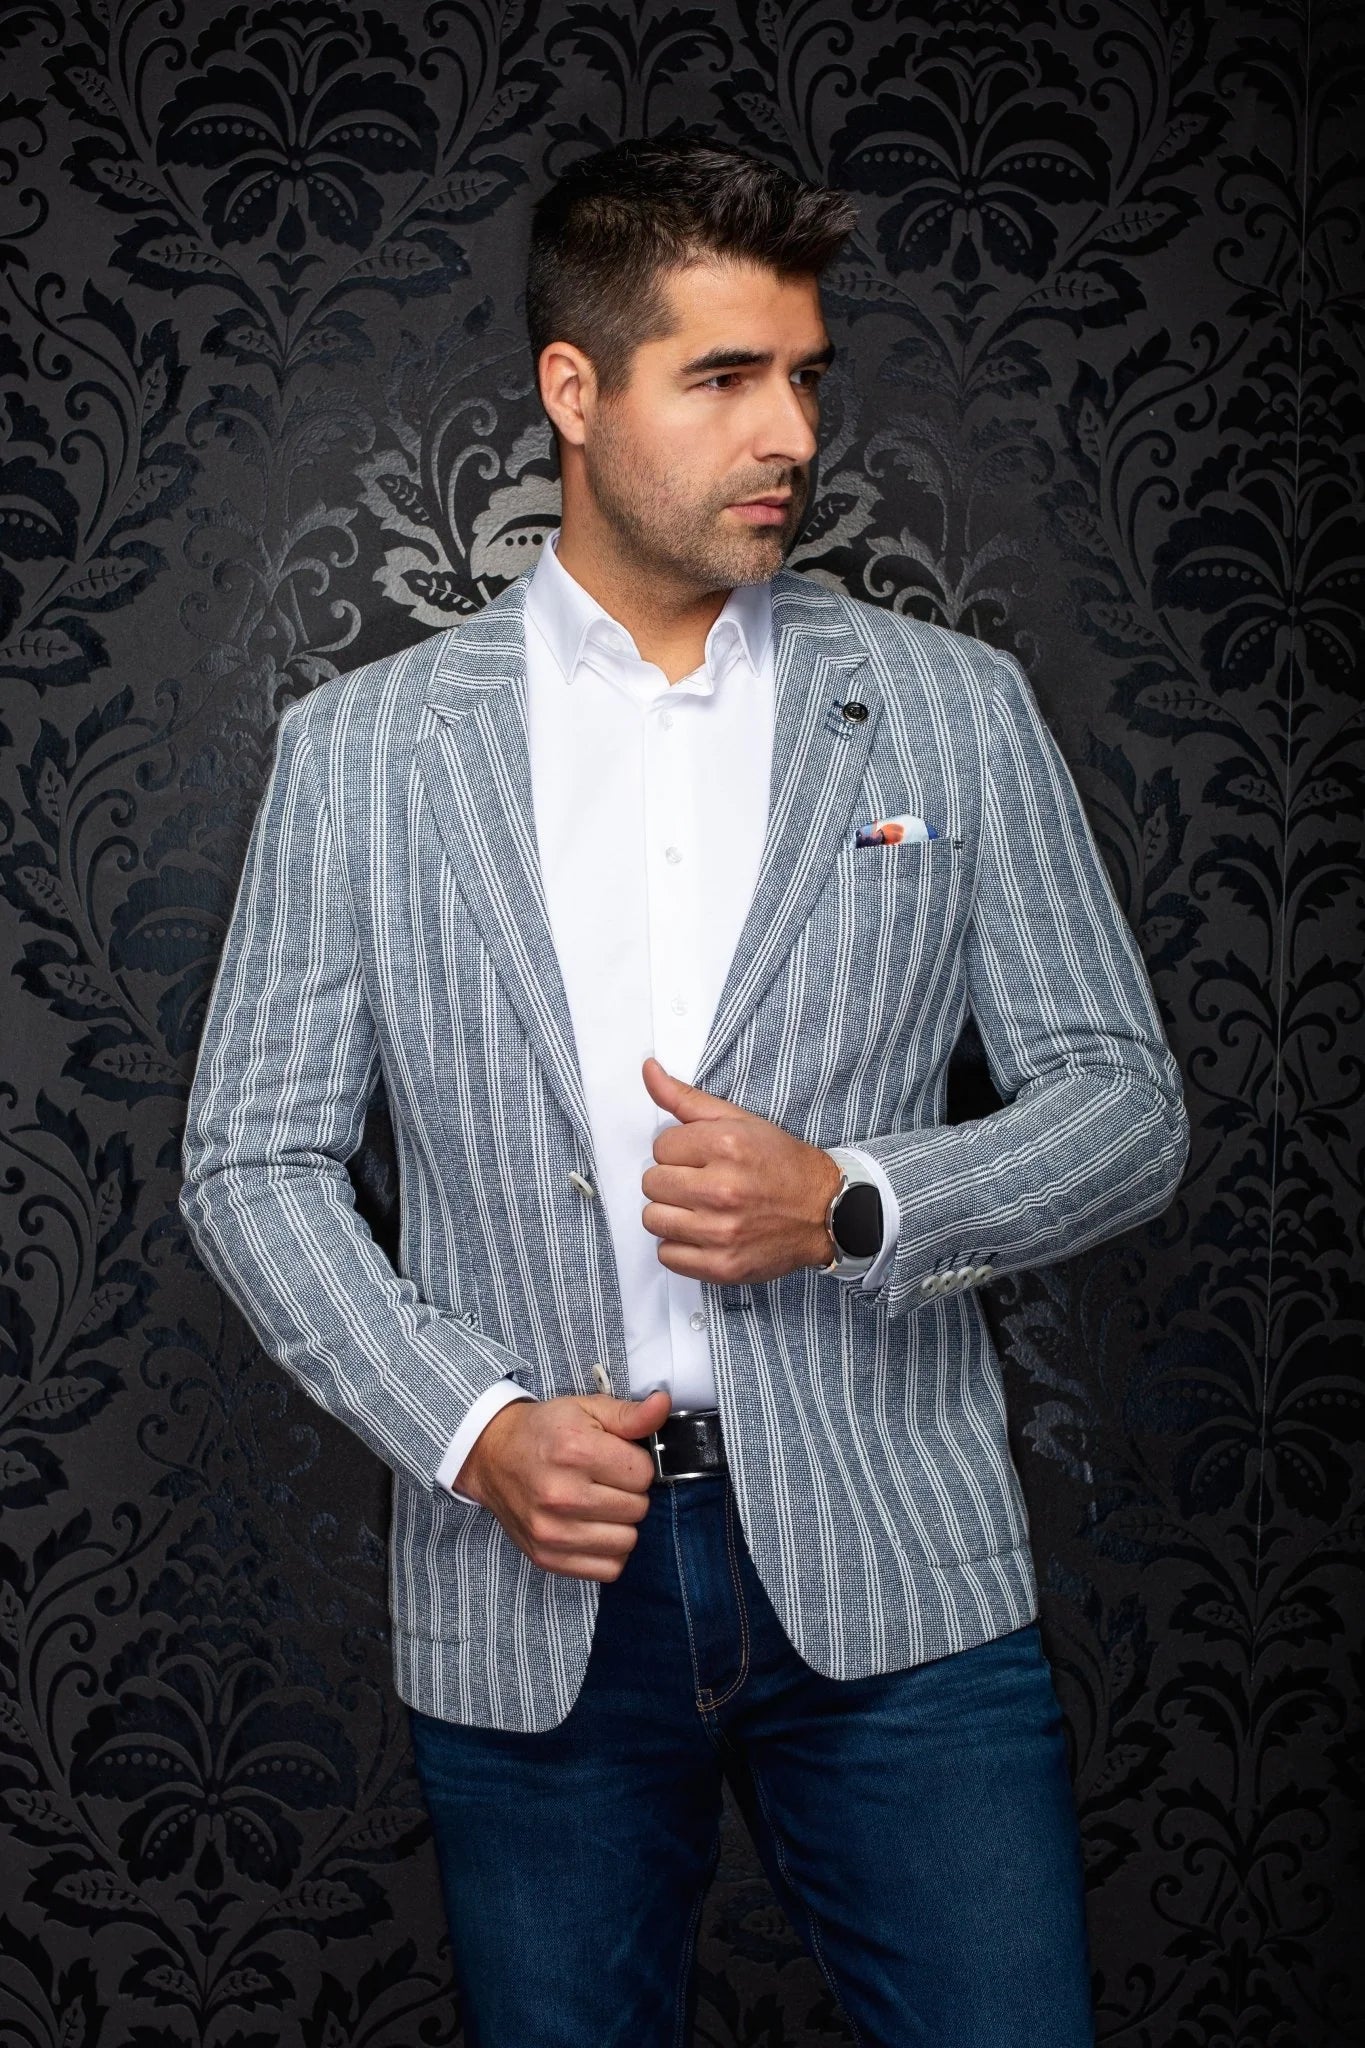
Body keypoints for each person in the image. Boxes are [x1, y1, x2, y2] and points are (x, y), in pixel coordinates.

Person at [179, 136, 1190, 2048]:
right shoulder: (363, 752)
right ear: (573, 390)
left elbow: (1122, 1102)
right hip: (533, 1585)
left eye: (803, 375)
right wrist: (470, 1428)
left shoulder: (950, 707)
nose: (787, 431)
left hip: (899, 1569)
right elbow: (252, 1160)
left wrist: (859, 1201)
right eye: (722, 377)